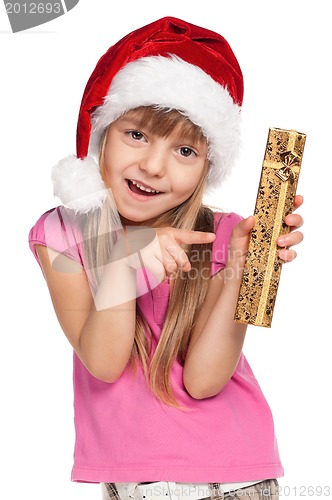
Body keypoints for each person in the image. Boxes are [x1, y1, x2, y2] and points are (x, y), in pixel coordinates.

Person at [28, 16, 304, 500]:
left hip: (238, 478)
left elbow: (203, 380)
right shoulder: (62, 234)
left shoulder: (220, 235)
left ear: (206, 167)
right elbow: (104, 361)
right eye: (136, 135)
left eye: (184, 150)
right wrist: (128, 265)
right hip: (136, 483)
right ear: (102, 134)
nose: (154, 166)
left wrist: (243, 270)